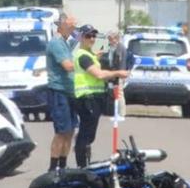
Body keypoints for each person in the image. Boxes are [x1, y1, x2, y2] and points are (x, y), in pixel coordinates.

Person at [72, 24, 129, 167]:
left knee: (89, 134)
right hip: (87, 97)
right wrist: (118, 73)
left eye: (94, 36)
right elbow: (98, 74)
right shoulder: (82, 56)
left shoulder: (90, 54)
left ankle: (84, 162)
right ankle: (81, 165)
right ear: (81, 37)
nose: (92, 39)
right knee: (86, 134)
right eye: (88, 36)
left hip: (95, 97)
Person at [45, 11, 79, 172]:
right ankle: (53, 167)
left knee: (70, 131)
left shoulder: (66, 42)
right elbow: (68, 66)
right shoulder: (56, 43)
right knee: (61, 131)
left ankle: (63, 165)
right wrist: (86, 62)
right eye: (71, 26)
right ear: (62, 25)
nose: (73, 29)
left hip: (69, 92)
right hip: (59, 91)